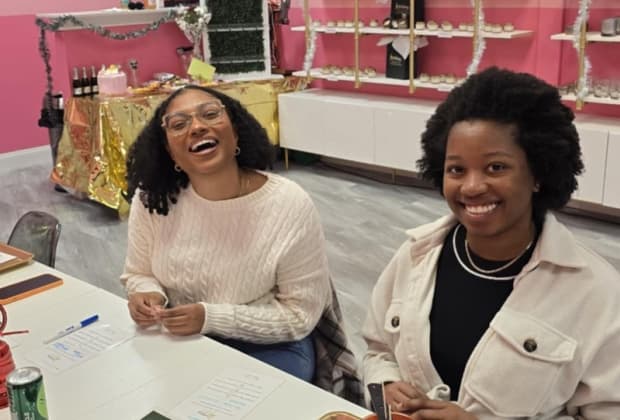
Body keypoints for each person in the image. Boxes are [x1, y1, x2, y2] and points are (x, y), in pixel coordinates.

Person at [362, 67, 620, 419]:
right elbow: (377, 350)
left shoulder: (597, 294)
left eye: (496, 167)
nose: (471, 187)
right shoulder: (416, 255)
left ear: (538, 174)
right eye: (456, 170)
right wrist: (386, 386)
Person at [120, 85, 331, 382]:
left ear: (236, 134)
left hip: (268, 344)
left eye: (210, 114)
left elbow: (299, 316)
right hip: (179, 334)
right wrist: (147, 294)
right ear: (169, 152)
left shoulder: (288, 203)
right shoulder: (153, 199)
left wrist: (211, 318)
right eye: (179, 124)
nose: (196, 127)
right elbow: (139, 273)